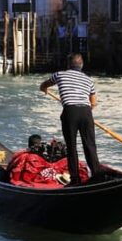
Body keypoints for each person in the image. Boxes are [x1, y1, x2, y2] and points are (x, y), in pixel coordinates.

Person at [39, 53, 102, 186]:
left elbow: (45, 84)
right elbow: (94, 103)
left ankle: (75, 179)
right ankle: (97, 176)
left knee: (71, 147)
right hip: (86, 112)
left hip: (70, 112)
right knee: (90, 146)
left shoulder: (60, 75)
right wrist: (85, 113)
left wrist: (43, 88)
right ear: (81, 65)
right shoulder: (88, 80)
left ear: (68, 65)